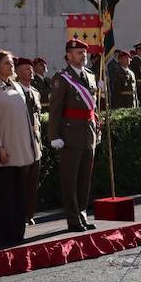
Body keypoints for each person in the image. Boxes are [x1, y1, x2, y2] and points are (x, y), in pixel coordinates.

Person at [0, 51, 42, 246]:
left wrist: (32, 144)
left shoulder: (18, 88)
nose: (11, 66)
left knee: (20, 194)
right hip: (4, 151)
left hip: (22, 149)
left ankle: (18, 234)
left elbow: (27, 119)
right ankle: (5, 236)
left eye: (11, 63)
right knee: (5, 195)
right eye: (6, 63)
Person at [48, 39, 100, 232]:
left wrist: (97, 128)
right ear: (68, 56)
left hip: (88, 133)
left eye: (84, 53)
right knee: (70, 179)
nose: (83, 56)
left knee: (85, 178)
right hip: (70, 135)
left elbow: (92, 108)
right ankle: (73, 218)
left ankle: (83, 213)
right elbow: (55, 110)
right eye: (78, 53)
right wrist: (54, 135)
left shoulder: (90, 75)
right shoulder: (62, 78)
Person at [15, 58, 45, 224]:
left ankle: (29, 214)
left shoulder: (35, 91)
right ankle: (19, 214)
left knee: (33, 181)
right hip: (20, 142)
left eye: (31, 69)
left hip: (35, 142)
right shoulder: (14, 91)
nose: (30, 71)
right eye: (26, 69)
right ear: (18, 72)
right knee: (20, 180)